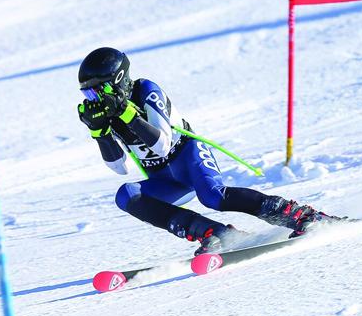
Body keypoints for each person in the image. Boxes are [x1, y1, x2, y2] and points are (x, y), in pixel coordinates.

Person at [76, 47, 347, 255]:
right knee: (126, 195)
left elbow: (163, 143)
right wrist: (99, 132)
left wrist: (127, 115)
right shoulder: (110, 114)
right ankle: (214, 234)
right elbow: (120, 167)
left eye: (97, 91)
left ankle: (302, 216)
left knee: (213, 196)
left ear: (119, 80)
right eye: (87, 95)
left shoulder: (145, 90)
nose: (95, 100)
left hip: (187, 156)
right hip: (163, 177)